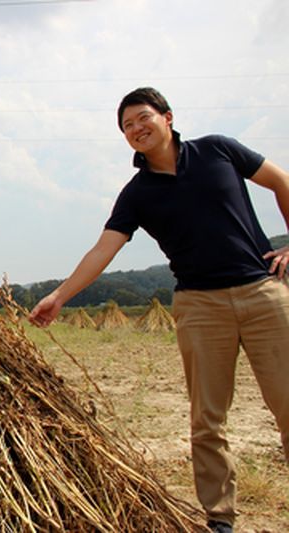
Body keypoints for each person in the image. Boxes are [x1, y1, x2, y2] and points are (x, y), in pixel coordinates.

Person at [28, 87, 289, 533]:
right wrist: (60, 296)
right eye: (127, 126)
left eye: (143, 117)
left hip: (263, 293)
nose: (136, 129)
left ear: (167, 117)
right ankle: (220, 519)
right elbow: (103, 249)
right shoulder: (137, 193)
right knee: (207, 419)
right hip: (199, 306)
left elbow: (281, 182)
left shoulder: (218, 150)